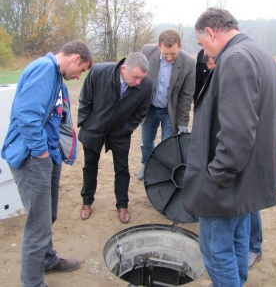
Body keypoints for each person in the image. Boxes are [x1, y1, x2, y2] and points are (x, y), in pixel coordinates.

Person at [182, 8, 276, 287]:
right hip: (248, 176)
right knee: (239, 239)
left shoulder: (236, 58)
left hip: (228, 181)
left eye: (202, 44)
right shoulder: (259, 53)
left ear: (211, 33)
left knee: (216, 251)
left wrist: (217, 178)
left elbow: (237, 132)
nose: (205, 52)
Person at [1, 40, 93, 287]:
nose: (78, 77)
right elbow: (27, 115)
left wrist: (53, 153)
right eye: (81, 70)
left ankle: (47, 259)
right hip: (33, 158)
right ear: (75, 59)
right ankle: (32, 282)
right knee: (37, 225)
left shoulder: (54, 75)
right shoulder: (44, 69)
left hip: (48, 155)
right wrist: (41, 153)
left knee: (47, 214)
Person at [77, 52, 152, 224]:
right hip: (94, 129)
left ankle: (122, 205)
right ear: (123, 68)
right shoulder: (98, 72)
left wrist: (127, 128)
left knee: (122, 169)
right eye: (135, 77)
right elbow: (85, 99)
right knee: (89, 166)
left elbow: (142, 110)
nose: (138, 82)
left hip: (120, 131)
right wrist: (86, 123)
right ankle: (87, 201)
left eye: (141, 78)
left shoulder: (146, 83)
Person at [137, 29, 195, 180]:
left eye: (173, 55)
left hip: (170, 112)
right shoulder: (146, 52)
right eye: (165, 54)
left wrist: (183, 122)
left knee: (168, 146)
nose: (169, 58)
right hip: (149, 109)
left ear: (180, 46)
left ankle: (162, 172)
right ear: (158, 46)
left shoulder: (189, 63)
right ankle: (146, 165)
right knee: (146, 142)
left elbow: (186, 96)